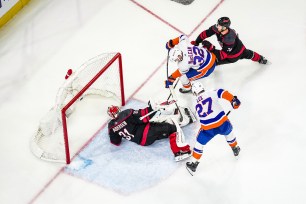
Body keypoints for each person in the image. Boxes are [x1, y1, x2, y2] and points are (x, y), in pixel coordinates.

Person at [186, 82, 241, 175]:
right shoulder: (210, 92)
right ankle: (235, 148)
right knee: (229, 133)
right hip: (222, 122)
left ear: (194, 92)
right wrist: (233, 100)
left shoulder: (195, 102)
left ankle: (193, 164)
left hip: (207, 128)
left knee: (199, 143)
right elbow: (222, 92)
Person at [107, 102, 191, 161]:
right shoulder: (126, 114)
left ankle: (168, 129)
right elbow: (143, 116)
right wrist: (151, 108)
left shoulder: (111, 127)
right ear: (118, 110)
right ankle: (179, 152)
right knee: (172, 128)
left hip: (142, 141)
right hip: (147, 132)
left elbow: (116, 142)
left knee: (161, 127)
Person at [191, 17, 269, 65]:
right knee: (249, 54)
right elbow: (205, 33)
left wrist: (211, 48)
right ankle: (261, 59)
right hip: (239, 46)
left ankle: (261, 59)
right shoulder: (217, 28)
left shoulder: (229, 39)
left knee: (212, 62)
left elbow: (222, 55)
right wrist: (197, 41)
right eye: (217, 24)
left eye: (219, 25)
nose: (217, 26)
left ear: (224, 27)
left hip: (232, 56)